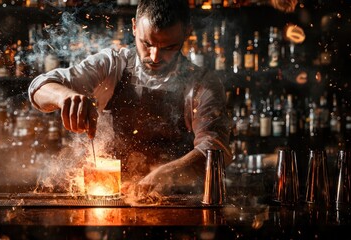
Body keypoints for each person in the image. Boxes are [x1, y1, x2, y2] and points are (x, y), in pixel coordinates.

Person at [28, 0, 232, 196]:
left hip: (178, 205)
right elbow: (39, 87)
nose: (155, 57)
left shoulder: (203, 83)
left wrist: (166, 174)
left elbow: (215, 149)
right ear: (134, 27)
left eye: (168, 47)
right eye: (147, 43)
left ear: (187, 33)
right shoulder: (111, 65)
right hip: (111, 200)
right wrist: (66, 97)